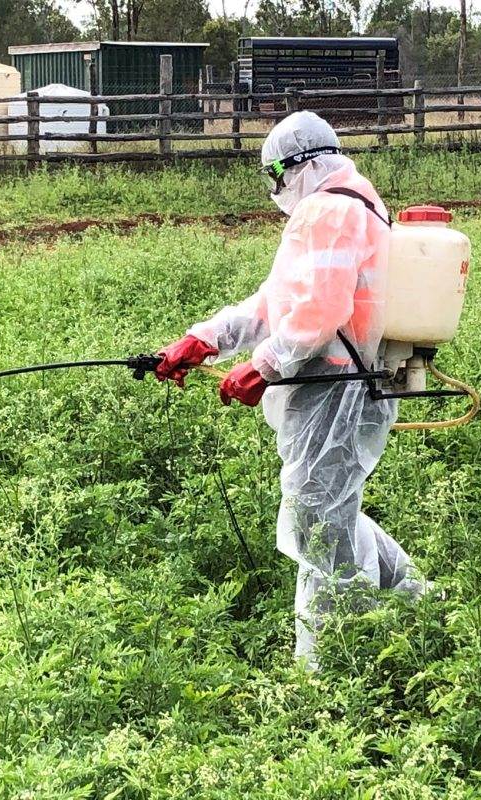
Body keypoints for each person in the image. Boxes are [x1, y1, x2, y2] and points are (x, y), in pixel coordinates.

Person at [156, 111, 425, 668]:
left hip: (330, 381)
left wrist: (267, 365)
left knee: (316, 519)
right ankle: (419, 599)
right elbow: (276, 301)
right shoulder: (354, 203)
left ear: (294, 167)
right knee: (333, 506)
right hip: (340, 377)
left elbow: (320, 311)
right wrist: (205, 339)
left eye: (274, 177)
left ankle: (322, 671)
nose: (274, 191)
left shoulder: (327, 210)